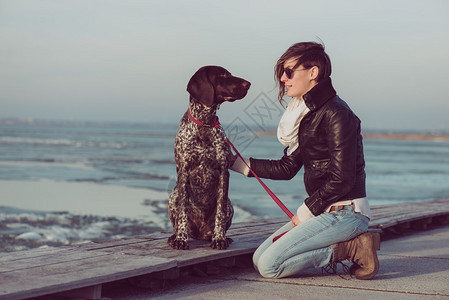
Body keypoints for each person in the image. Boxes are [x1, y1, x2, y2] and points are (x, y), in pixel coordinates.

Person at [231, 41, 380, 279]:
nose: (283, 78)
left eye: (289, 71)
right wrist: (233, 162)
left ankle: (350, 248)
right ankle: (345, 246)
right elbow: (287, 167)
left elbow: (342, 179)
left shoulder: (337, 114)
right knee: (259, 258)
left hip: (347, 213)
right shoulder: (308, 115)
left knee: (270, 266)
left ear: (313, 73)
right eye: (282, 72)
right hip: (324, 212)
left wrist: (306, 211)